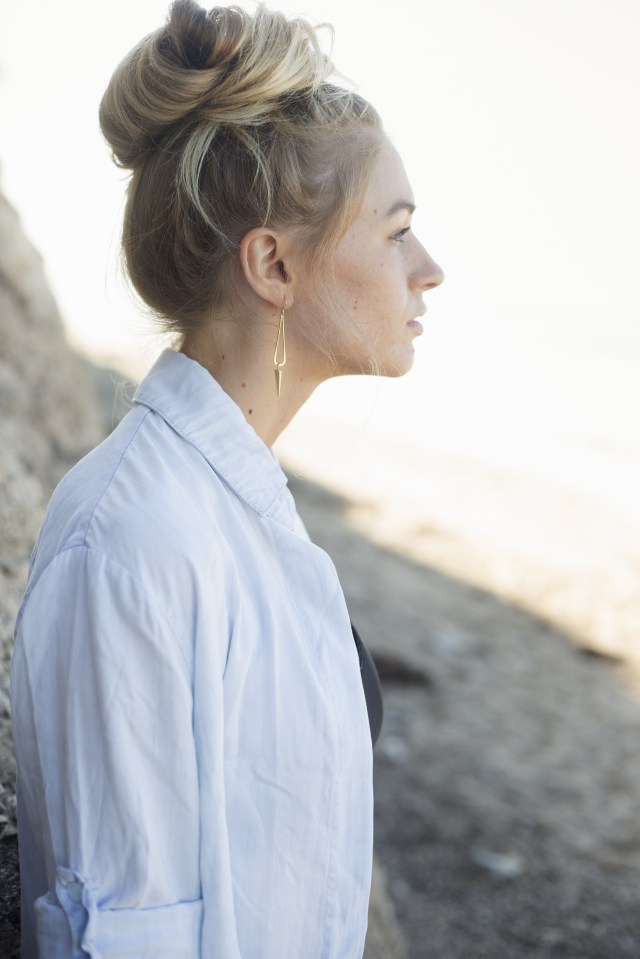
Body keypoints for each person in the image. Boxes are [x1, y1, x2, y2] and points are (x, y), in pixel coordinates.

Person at [10, 1, 444, 956]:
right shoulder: (134, 542)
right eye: (396, 230)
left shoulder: (234, 509)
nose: (429, 269)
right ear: (273, 264)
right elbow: (125, 936)